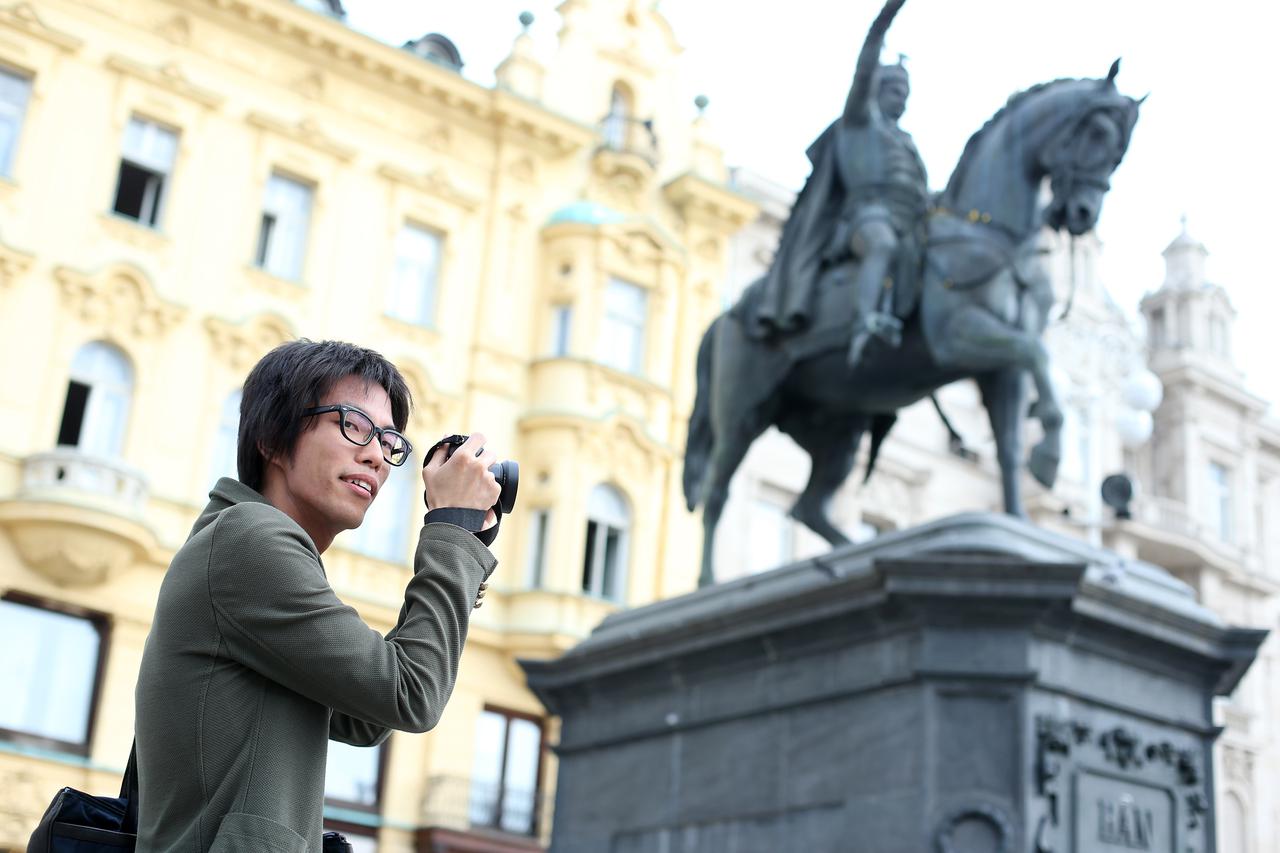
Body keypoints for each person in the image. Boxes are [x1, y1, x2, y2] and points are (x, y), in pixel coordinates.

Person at [134, 339, 501, 853]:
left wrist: (460, 542)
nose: (376, 455)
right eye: (353, 424)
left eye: (389, 440)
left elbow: (368, 715)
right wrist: (452, 531)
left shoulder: (249, 545)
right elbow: (411, 693)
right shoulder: (249, 538)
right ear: (272, 439)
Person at [750, 0, 928, 369]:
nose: (903, 100)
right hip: (865, 219)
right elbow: (863, 69)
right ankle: (867, 322)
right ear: (878, 89)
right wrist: (885, 20)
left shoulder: (907, 143)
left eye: (907, 94)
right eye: (896, 90)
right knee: (881, 245)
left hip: (911, 222)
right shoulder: (861, 122)